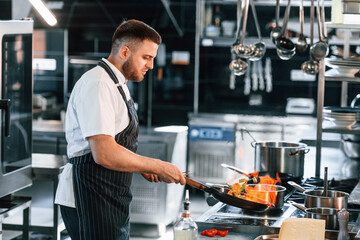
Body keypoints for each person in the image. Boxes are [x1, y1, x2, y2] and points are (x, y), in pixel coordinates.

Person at [55, 19, 186, 240]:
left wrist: (138, 165)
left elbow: (114, 142)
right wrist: (157, 165)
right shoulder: (98, 84)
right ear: (125, 51)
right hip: (89, 194)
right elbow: (104, 153)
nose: (151, 66)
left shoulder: (117, 84)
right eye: (146, 57)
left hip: (107, 193)